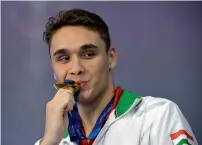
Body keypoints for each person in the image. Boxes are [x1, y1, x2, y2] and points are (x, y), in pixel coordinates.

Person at [35, 8, 198, 145]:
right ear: (53, 69)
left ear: (111, 58)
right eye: (64, 58)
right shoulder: (52, 140)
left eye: (88, 54)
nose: (76, 69)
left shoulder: (158, 117)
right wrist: (50, 141)